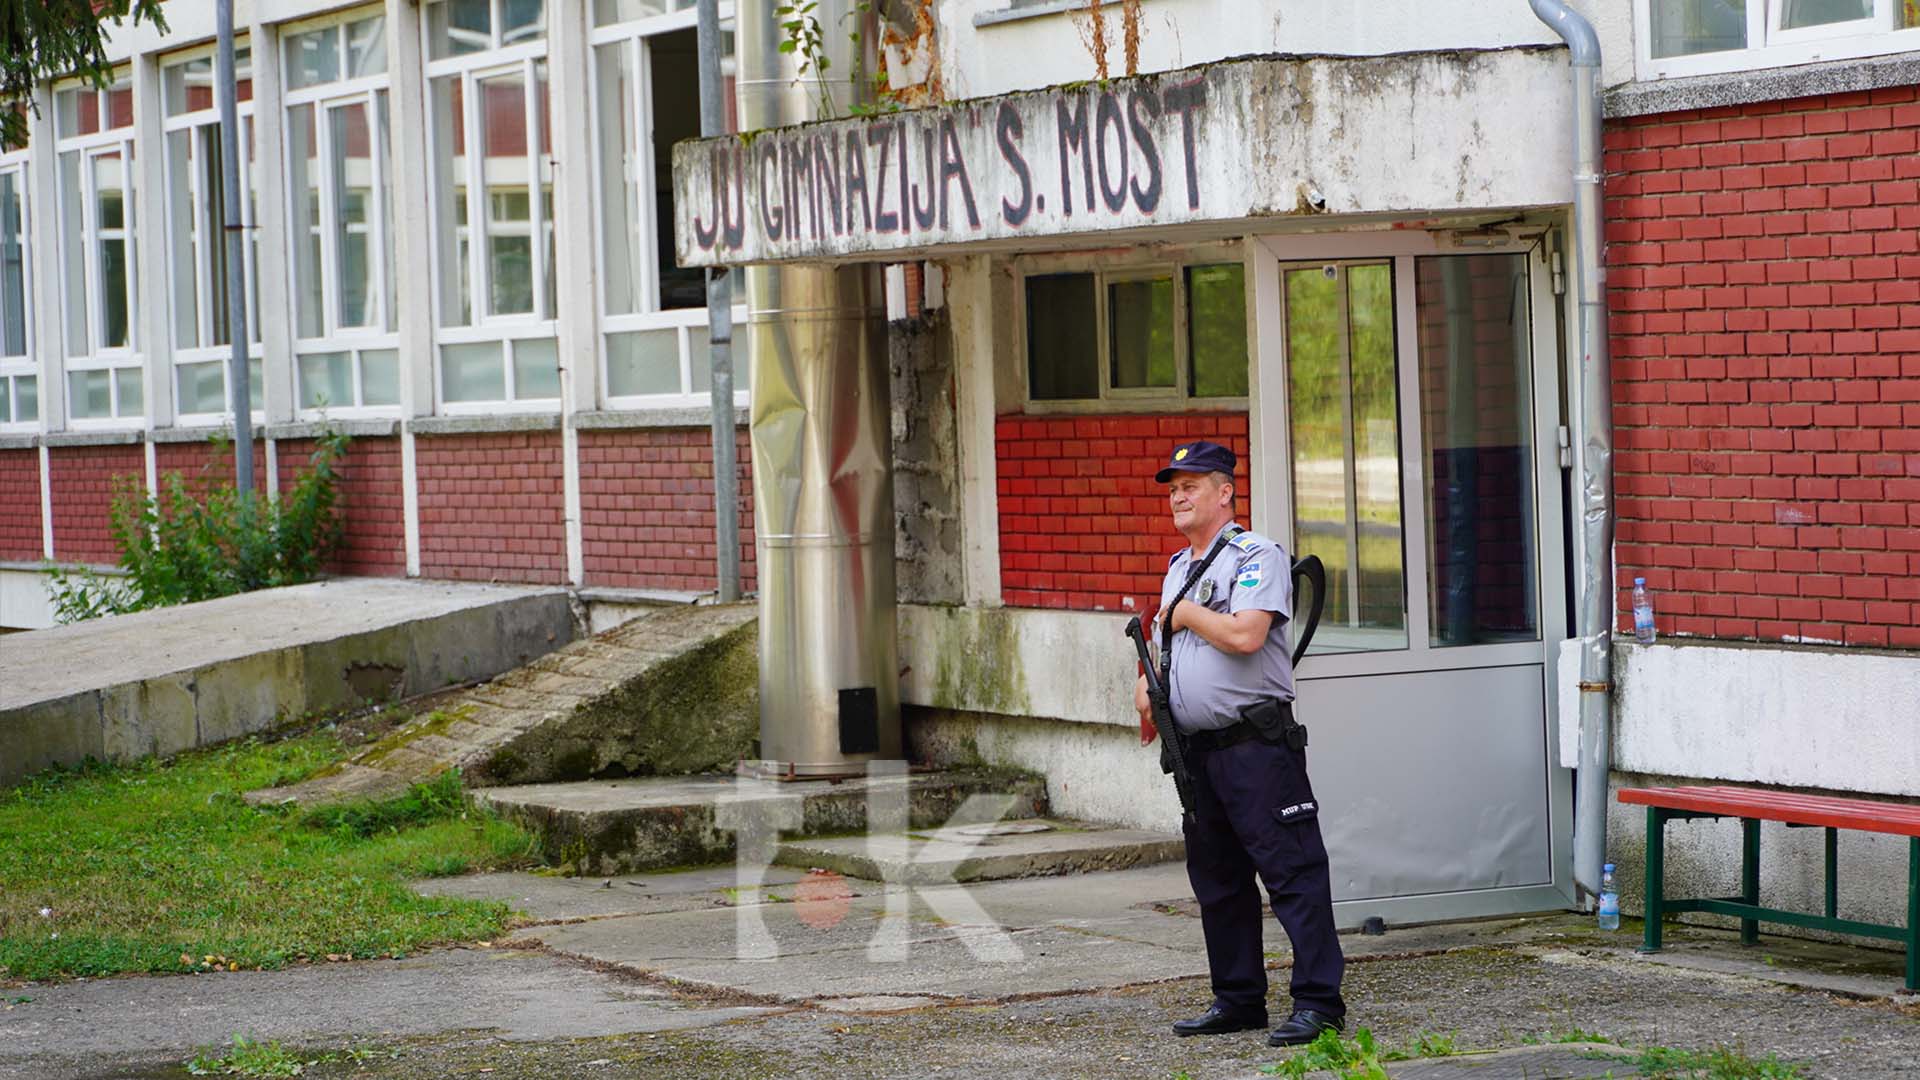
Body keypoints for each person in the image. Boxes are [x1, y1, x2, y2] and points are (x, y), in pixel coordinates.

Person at [1133, 440, 1346, 1047]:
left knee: (1293, 871)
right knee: (1219, 880)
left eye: (1191, 484)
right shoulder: (1179, 566)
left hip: (1257, 746)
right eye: (1172, 485)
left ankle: (1318, 1003)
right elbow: (1160, 649)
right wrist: (1147, 692)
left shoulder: (1257, 556)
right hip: (1198, 752)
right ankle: (1237, 998)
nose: (1177, 494)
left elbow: (1247, 635)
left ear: (1225, 492)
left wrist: (1183, 616)